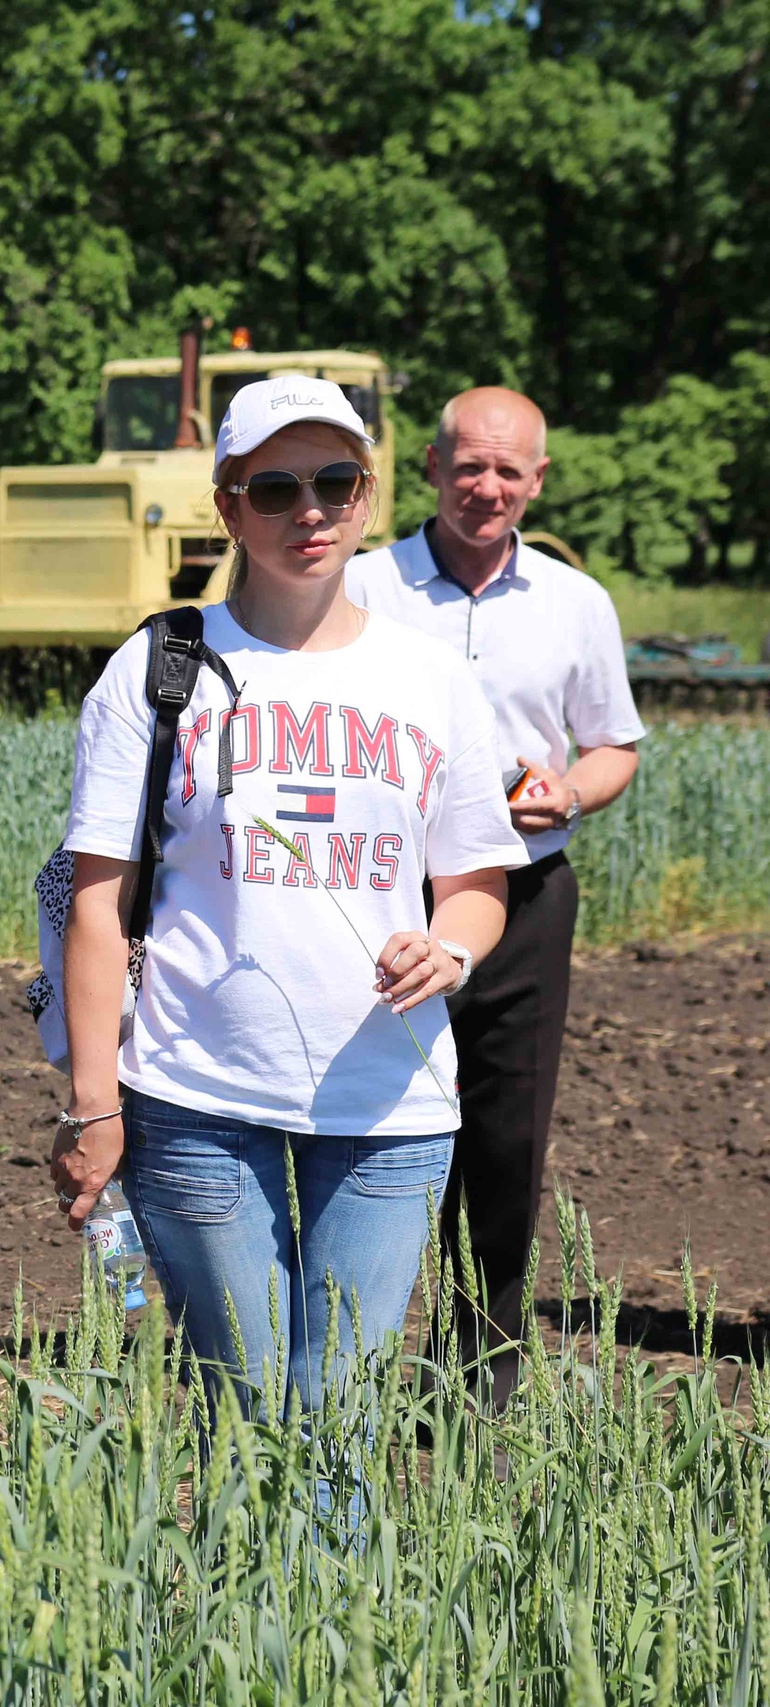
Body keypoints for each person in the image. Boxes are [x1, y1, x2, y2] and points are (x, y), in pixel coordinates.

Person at [49, 377, 527, 1417]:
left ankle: (336, 1589)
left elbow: (477, 883)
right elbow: (93, 901)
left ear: (366, 495)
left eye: (334, 481)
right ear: (226, 505)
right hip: (197, 1098)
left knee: (343, 1417)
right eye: (272, 488)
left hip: (392, 1106)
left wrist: (449, 949)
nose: (307, 510)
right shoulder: (158, 667)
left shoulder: (431, 677)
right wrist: (92, 1105)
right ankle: (247, 1589)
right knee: (253, 1411)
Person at [345, 386, 645, 1406]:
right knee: (373, 1123)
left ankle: (483, 1365)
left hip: (524, 900)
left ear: (538, 481)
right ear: (429, 468)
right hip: (385, 901)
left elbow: (613, 747)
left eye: (507, 471)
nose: (486, 487)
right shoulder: (360, 586)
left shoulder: (576, 603)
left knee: (505, 1135)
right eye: (468, 466)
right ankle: (352, 1346)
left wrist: (572, 790)